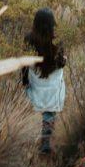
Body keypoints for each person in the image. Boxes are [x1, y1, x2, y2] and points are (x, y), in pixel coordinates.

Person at [21, 8, 66, 154]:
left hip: (36, 79)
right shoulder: (57, 39)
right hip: (53, 81)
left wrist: (24, 81)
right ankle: (45, 142)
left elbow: (24, 63)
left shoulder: (28, 38)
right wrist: (64, 60)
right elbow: (60, 64)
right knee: (50, 111)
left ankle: (37, 138)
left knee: (41, 106)